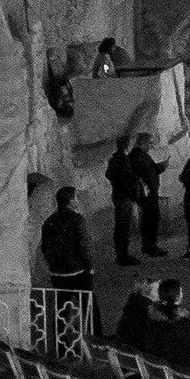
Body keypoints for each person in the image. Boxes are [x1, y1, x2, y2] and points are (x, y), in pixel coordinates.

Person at [39, 186, 100, 336]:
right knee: (90, 307)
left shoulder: (49, 221)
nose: (77, 201)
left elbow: (44, 247)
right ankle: (98, 340)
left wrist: (54, 265)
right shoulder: (77, 219)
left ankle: (61, 344)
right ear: (71, 201)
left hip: (58, 274)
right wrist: (90, 267)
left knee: (61, 308)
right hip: (77, 273)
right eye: (75, 198)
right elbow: (84, 246)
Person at [129, 133, 165, 258]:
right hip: (147, 193)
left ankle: (148, 245)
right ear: (143, 143)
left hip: (146, 193)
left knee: (149, 218)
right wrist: (160, 167)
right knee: (152, 218)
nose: (150, 146)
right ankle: (151, 246)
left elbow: (149, 169)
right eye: (149, 143)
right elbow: (148, 172)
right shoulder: (139, 156)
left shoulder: (139, 156)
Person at [106, 135, 140, 266]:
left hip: (118, 196)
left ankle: (121, 254)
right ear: (127, 145)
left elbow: (108, 174)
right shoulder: (124, 160)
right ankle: (123, 256)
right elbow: (128, 179)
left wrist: (116, 183)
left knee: (120, 226)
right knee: (124, 227)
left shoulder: (114, 158)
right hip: (124, 197)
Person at [114, 279, 159, 349]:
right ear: (146, 293)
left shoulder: (132, 305)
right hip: (142, 353)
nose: (159, 295)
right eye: (156, 291)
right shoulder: (148, 310)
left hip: (126, 349)